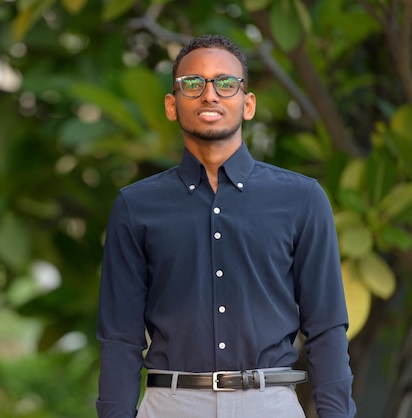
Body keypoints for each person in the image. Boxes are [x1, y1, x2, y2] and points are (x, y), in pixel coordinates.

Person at [96, 34, 356, 418]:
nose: (210, 94)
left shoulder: (302, 198)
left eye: (225, 83)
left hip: (270, 403)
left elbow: (326, 328)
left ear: (247, 104)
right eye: (193, 84)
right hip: (171, 404)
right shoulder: (135, 206)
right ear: (172, 105)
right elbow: (120, 337)